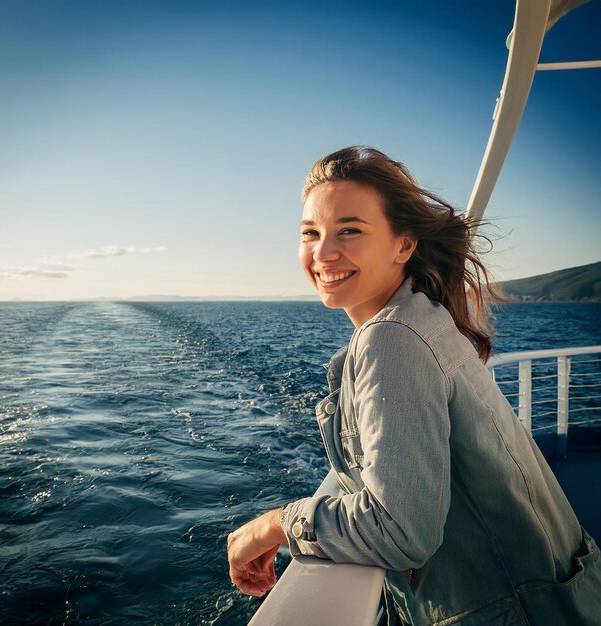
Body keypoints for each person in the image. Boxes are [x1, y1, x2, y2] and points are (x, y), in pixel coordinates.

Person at [226, 146, 601, 625]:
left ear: (403, 246)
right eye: (310, 234)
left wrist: (272, 525)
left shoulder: (392, 338)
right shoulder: (422, 320)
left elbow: (401, 532)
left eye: (350, 231)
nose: (323, 253)